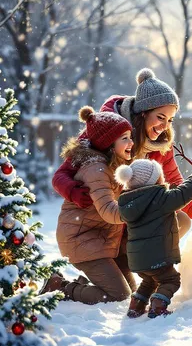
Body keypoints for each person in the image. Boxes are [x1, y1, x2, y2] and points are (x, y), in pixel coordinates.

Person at [52, 68, 192, 240]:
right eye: (160, 117)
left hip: (132, 214)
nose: (165, 126)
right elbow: (60, 175)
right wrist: (75, 192)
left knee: (180, 220)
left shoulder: (160, 145)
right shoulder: (105, 131)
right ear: (143, 112)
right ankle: (135, 261)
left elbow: (174, 181)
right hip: (103, 216)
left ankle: (146, 263)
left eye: (170, 120)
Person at [41, 106, 136, 304]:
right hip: (81, 239)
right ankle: (61, 287)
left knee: (132, 291)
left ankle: (85, 281)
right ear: (109, 144)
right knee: (119, 295)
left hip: (102, 239)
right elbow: (109, 212)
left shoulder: (115, 165)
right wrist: (137, 211)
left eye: (130, 137)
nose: (131, 143)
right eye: (124, 138)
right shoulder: (97, 169)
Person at [114, 159, 192, 318]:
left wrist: (168, 191)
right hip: (156, 256)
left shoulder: (130, 201)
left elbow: (156, 203)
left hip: (137, 259)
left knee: (149, 281)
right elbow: (183, 193)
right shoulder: (160, 199)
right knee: (171, 280)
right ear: (154, 180)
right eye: (160, 176)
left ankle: (136, 306)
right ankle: (158, 306)